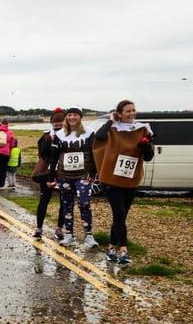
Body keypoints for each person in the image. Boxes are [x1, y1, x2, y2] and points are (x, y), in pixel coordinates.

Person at [93, 100, 154, 265]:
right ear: (119, 113)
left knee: (121, 216)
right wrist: (110, 121)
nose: (132, 113)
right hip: (111, 179)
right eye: (128, 111)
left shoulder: (142, 129)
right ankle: (124, 251)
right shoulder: (112, 129)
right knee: (119, 213)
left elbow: (148, 157)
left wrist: (145, 147)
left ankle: (111, 246)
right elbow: (98, 138)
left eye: (133, 110)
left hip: (130, 179)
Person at [48, 106, 98, 249]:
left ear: (80, 117)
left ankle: (89, 235)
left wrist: (93, 173)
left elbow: (94, 153)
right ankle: (69, 234)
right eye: (69, 115)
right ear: (66, 118)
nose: (72, 118)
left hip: (82, 174)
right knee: (67, 204)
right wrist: (51, 177)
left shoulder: (88, 133)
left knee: (84, 202)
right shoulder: (59, 135)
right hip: (64, 175)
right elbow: (54, 157)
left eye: (75, 115)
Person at [33, 109, 67, 239]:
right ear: (51, 123)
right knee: (44, 200)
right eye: (55, 124)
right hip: (47, 173)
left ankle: (59, 228)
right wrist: (52, 143)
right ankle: (39, 227)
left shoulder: (70, 136)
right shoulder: (46, 136)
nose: (58, 126)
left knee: (64, 202)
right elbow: (42, 154)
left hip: (64, 172)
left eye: (60, 124)